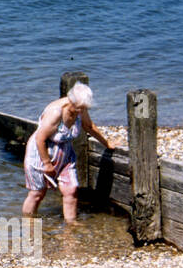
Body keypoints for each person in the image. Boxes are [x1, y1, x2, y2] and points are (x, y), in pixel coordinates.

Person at [22, 81, 117, 221]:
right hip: (41, 153)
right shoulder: (56, 112)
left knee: (71, 190)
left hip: (65, 153)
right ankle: (28, 224)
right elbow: (40, 138)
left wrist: (107, 143)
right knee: (38, 193)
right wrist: (47, 164)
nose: (80, 112)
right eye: (78, 108)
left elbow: (89, 126)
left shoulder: (80, 107)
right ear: (70, 100)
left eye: (83, 109)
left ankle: (71, 228)